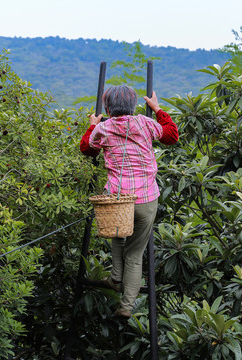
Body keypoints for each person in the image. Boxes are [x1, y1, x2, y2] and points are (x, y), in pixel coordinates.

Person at [80, 85, 179, 318]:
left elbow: (87, 149)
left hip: (116, 199)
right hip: (145, 198)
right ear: (134, 105)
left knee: (118, 235)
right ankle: (126, 306)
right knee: (134, 255)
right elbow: (171, 136)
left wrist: (93, 124)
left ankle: (115, 278)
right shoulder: (145, 123)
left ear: (107, 107)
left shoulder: (103, 129)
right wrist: (157, 110)